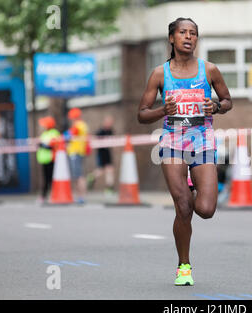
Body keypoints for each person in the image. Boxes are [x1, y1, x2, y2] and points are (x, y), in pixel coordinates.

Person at [137, 17, 232, 286]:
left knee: (205, 209)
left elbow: (228, 101)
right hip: (173, 144)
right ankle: (184, 266)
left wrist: (215, 106)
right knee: (183, 208)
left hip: (202, 142)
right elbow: (142, 115)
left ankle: (191, 191)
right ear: (172, 38)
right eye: (182, 32)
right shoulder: (159, 74)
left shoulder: (209, 70)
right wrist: (162, 111)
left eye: (193, 33)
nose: (188, 37)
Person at [87, 115, 115, 195]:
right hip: (101, 153)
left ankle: (109, 189)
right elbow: (94, 140)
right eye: (108, 122)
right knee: (101, 171)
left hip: (108, 153)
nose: (110, 124)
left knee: (110, 170)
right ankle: (92, 176)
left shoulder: (110, 131)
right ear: (105, 122)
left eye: (111, 122)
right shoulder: (100, 131)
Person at [66, 108, 89, 204]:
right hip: (80, 152)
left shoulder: (77, 126)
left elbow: (67, 135)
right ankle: (80, 196)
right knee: (78, 175)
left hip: (75, 152)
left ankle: (81, 197)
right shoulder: (83, 125)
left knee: (78, 176)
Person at [36, 116, 60, 204]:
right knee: (46, 179)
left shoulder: (54, 133)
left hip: (51, 159)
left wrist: (42, 145)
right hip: (44, 160)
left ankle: (50, 195)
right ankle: (45, 195)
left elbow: (53, 146)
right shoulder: (45, 133)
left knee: (50, 179)